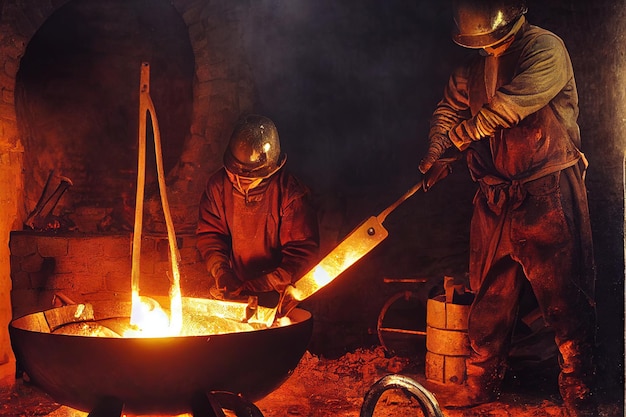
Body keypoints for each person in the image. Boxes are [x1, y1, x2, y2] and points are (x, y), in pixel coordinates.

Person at [418, 1, 597, 416]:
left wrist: (460, 138)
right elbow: (448, 110)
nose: (488, 48)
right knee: (489, 297)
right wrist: (436, 151)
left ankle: (578, 388)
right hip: (496, 196)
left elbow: (512, 104)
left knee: (562, 297)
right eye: (481, 43)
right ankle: (481, 381)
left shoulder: (546, 49)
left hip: (545, 189)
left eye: (492, 39)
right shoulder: (475, 67)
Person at [196, 114, 320, 307]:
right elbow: (211, 234)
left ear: (271, 169)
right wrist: (221, 271)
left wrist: (258, 285)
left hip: (280, 295)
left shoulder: (290, 194)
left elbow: (301, 253)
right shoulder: (218, 186)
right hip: (237, 292)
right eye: (234, 174)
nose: (239, 181)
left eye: (248, 178)